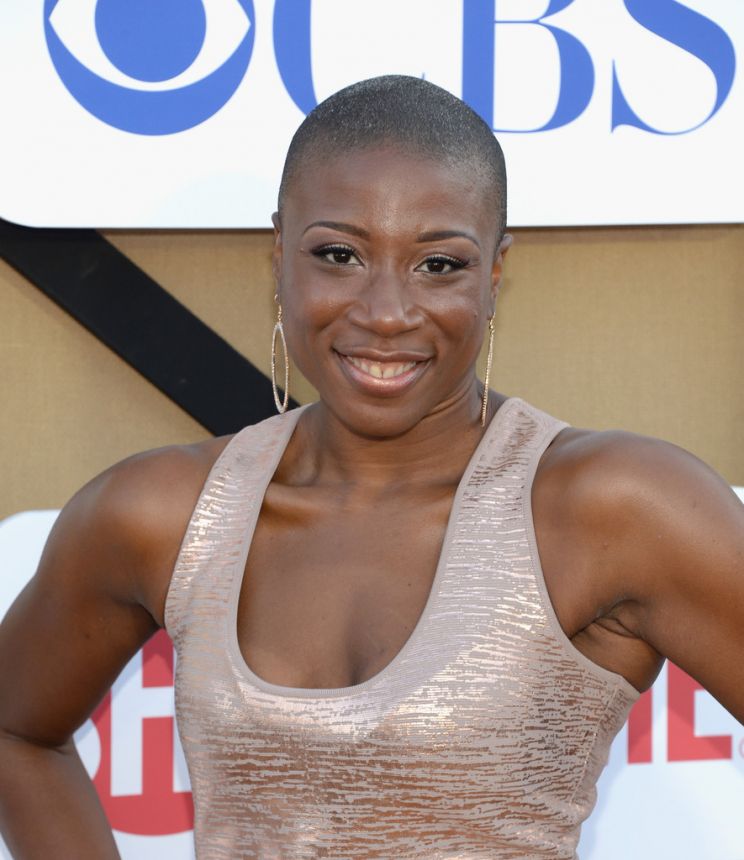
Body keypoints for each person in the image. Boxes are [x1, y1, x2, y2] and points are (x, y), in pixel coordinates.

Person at [0, 75, 742, 859]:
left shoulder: (613, 508)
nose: (387, 312)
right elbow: (17, 732)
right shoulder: (162, 515)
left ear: (494, 274)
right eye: (339, 255)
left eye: (439, 265)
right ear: (278, 254)